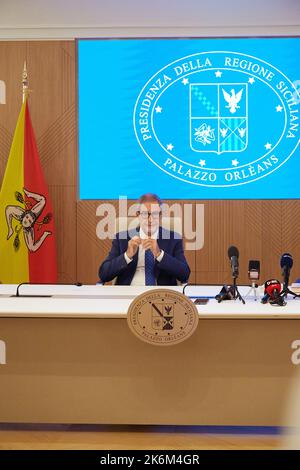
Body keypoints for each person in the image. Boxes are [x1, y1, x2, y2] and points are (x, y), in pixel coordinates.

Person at [99, 193, 190, 285]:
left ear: (160, 215)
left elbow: (184, 274)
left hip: (161, 295)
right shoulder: (122, 238)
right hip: (128, 292)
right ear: (138, 215)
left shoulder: (174, 238)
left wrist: (159, 254)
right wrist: (127, 255)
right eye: (145, 214)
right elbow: (104, 274)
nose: (150, 219)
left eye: (154, 214)